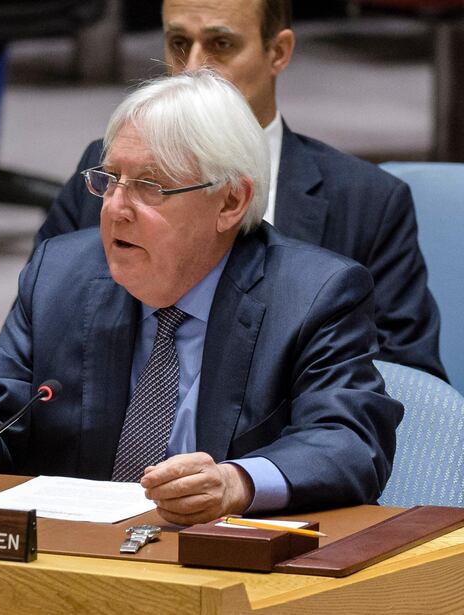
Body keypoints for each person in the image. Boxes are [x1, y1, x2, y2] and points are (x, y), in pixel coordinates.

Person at [0, 71, 403, 525]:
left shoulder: (313, 295)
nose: (115, 209)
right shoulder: (63, 273)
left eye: (150, 186)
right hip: (77, 562)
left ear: (231, 200)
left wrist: (237, 483)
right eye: (110, 180)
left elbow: (348, 439)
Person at [35, 0, 446, 381]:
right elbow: (38, 333)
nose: (193, 67)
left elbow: (410, 385)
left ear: (278, 52)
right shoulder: (107, 173)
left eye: (220, 44)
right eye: (179, 43)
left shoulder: (366, 200)